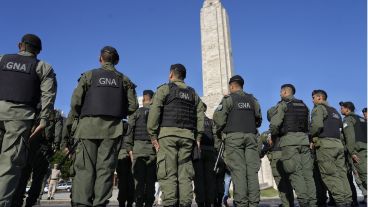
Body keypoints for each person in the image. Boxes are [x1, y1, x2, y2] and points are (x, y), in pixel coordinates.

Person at [64, 46, 138, 206]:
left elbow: (75, 103)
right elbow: (133, 107)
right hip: (112, 130)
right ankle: (99, 203)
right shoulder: (124, 80)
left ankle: (82, 203)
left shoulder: (89, 75)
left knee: (84, 169)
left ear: (100, 59)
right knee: (105, 170)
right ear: (117, 60)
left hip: (87, 127)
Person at [0, 34, 57, 206]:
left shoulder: (2, 59)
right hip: (19, 117)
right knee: (9, 164)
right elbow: (48, 95)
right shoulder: (42, 67)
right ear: (38, 51)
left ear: (20, 45)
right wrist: (44, 119)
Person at [147, 63, 205, 207]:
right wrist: (198, 138)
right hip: (187, 137)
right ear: (184, 76)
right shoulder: (193, 94)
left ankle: (170, 204)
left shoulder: (164, 89)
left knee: (168, 173)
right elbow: (200, 116)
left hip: (167, 136)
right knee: (185, 174)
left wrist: (153, 136)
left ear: (171, 74)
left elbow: (154, 114)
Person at [213, 75, 262, 207]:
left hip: (234, 138)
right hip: (251, 137)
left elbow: (218, 120)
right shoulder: (253, 100)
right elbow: (259, 119)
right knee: (252, 171)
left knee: (238, 171)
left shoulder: (229, 99)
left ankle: (241, 203)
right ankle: (254, 202)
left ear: (232, 86)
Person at [269, 84, 316, 207]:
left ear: (285, 92)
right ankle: (312, 203)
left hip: (290, 142)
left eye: (281, 92)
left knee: (296, 173)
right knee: (308, 175)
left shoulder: (283, 105)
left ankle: (304, 202)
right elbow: (309, 125)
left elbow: (274, 124)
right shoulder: (304, 105)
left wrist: (274, 134)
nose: (280, 94)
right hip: (304, 141)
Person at [12, 108, 62, 207]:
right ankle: (31, 202)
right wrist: (56, 145)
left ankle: (17, 200)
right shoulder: (55, 114)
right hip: (44, 148)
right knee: (38, 179)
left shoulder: (33, 109)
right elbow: (58, 131)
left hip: (30, 145)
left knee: (23, 175)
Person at [310, 90, 352, 206]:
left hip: (326, 146)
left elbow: (316, 125)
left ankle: (341, 202)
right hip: (338, 145)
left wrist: (311, 136)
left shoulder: (319, 108)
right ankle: (347, 200)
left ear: (319, 98)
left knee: (330, 175)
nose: (312, 100)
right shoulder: (335, 112)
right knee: (342, 175)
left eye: (313, 98)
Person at [125, 90, 157, 207]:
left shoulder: (136, 113)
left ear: (143, 100)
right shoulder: (156, 113)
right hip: (152, 151)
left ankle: (138, 203)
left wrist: (130, 150)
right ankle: (149, 203)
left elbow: (129, 131)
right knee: (150, 182)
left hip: (138, 150)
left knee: (138, 181)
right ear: (152, 99)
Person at [259, 106, 294, 207]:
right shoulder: (288, 130)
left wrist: (261, 154)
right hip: (289, 155)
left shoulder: (267, 134)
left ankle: (286, 204)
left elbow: (264, 148)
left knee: (281, 183)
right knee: (289, 181)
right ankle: (290, 203)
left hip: (276, 158)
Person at [340, 101, 367, 204]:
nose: (340, 110)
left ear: (347, 109)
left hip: (357, 152)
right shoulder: (361, 119)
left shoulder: (348, 119)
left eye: (342, 108)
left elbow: (350, 137)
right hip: (365, 149)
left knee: (361, 176)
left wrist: (352, 152)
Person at [193, 104, 217, 207]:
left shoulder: (195, 121)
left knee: (199, 179)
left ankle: (200, 203)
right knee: (209, 180)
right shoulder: (211, 122)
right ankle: (209, 202)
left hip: (199, 151)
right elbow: (216, 137)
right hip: (210, 152)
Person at [116, 135, 135, 207]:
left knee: (124, 182)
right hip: (128, 151)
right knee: (129, 182)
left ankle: (124, 202)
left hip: (124, 151)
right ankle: (125, 202)